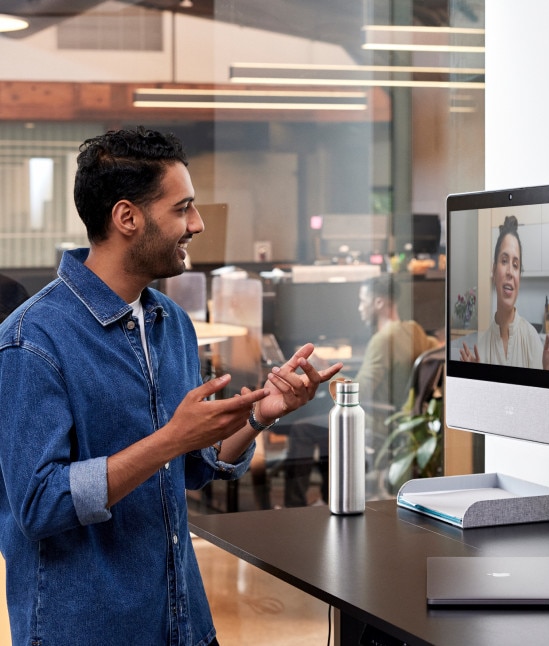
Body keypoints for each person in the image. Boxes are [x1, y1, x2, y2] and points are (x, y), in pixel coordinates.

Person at [0, 127, 342, 646]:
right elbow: (38, 505)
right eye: (183, 209)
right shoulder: (30, 341)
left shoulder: (171, 323)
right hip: (87, 631)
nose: (197, 224)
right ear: (127, 218)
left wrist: (260, 415)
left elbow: (192, 466)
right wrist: (170, 439)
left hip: (183, 623)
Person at [283, 273, 442, 507]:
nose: (359, 308)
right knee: (324, 427)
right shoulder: (413, 330)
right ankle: (330, 498)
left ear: (378, 303)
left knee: (302, 429)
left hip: (378, 420)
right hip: (402, 417)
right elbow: (436, 348)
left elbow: (360, 392)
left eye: (362, 300)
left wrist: (325, 370)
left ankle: (293, 506)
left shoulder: (381, 340)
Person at [459, 215, 549, 369]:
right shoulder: (482, 348)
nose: (510, 272)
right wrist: (474, 383)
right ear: (494, 271)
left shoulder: (531, 339)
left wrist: (548, 375)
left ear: (519, 277)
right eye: (504, 261)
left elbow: (535, 394)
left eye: (515, 265)